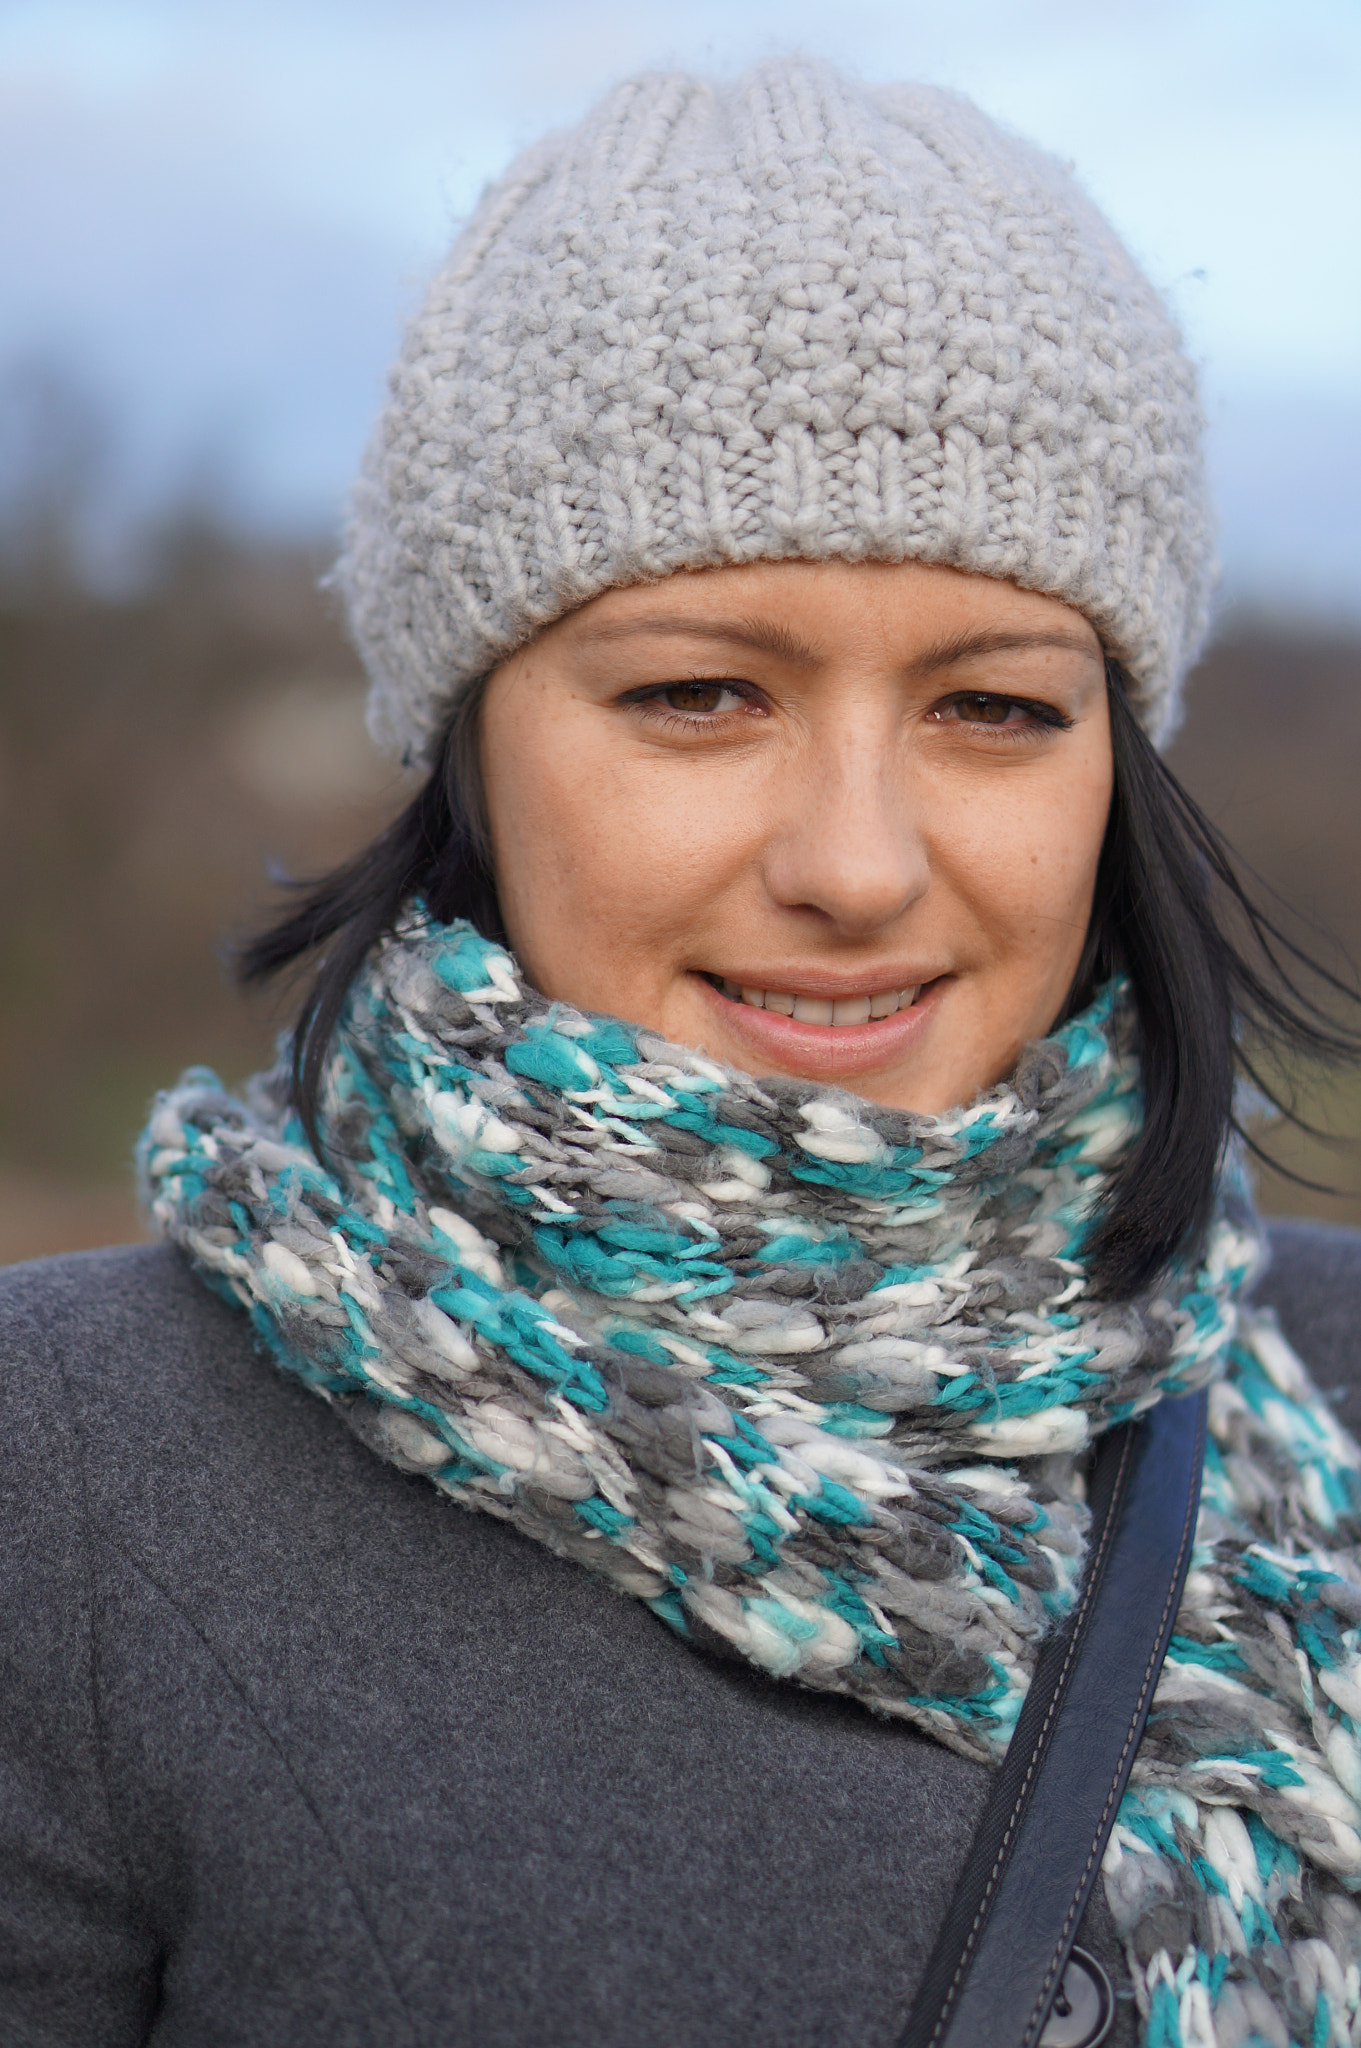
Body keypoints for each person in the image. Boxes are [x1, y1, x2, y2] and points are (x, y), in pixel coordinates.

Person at [3, 57, 1361, 2048]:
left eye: (992, 710)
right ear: (468, 736)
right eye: (703, 694)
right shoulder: (77, 1489)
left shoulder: (1332, 1387)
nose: (855, 862)